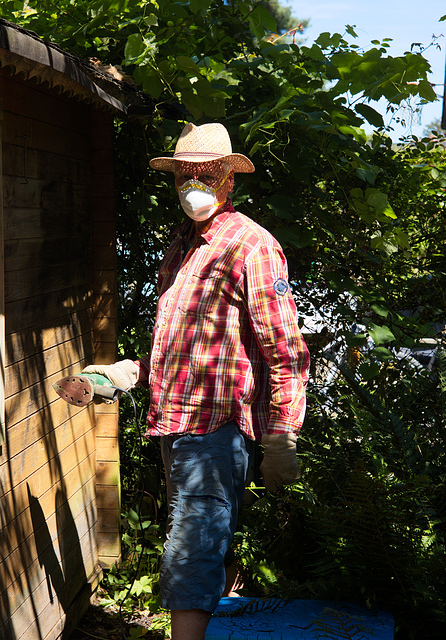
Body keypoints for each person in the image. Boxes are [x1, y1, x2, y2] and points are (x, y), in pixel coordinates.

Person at [83, 122, 310, 640]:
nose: (194, 186)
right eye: (184, 176)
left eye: (206, 175)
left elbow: (285, 349)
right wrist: (128, 373)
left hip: (216, 431)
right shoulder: (182, 242)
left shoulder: (252, 245)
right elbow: (185, 342)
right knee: (210, 540)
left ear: (229, 179)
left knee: (191, 547)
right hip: (174, 425)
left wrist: (282, 434)